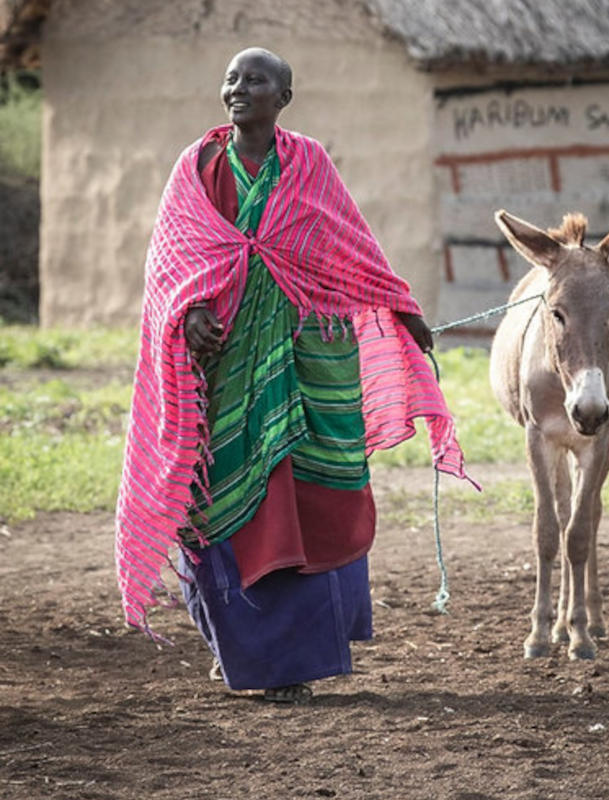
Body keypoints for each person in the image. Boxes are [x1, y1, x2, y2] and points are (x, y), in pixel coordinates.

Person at [115, 47, 470, 703]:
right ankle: (235, 646)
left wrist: (400, 307)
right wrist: (189, 314)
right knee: (215, 502)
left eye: (255, 80)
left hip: (308, 364)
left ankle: (284, 666)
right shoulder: (197, 168)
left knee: (301, 502)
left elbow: (349, 244)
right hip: (220, 371)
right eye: (230, 78)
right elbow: (170, 263)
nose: (237, 89)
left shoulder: (306, 163)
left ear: (284, 96)